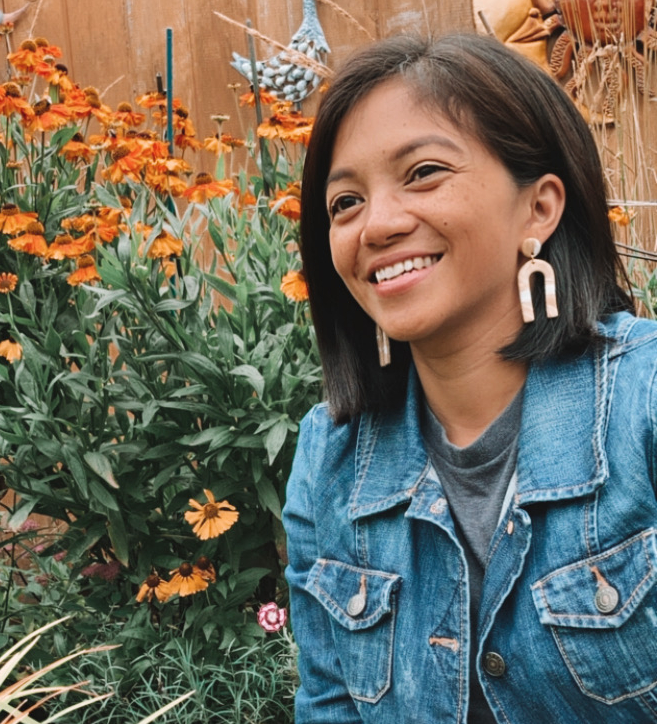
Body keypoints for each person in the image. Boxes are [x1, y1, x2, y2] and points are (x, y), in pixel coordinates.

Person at [282, 31, 657, 723]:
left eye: (423, 172)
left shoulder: (645, 404)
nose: (376, 225)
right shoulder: (328, 460)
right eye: (345, 202)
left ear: (539, 208)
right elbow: (330, 708)